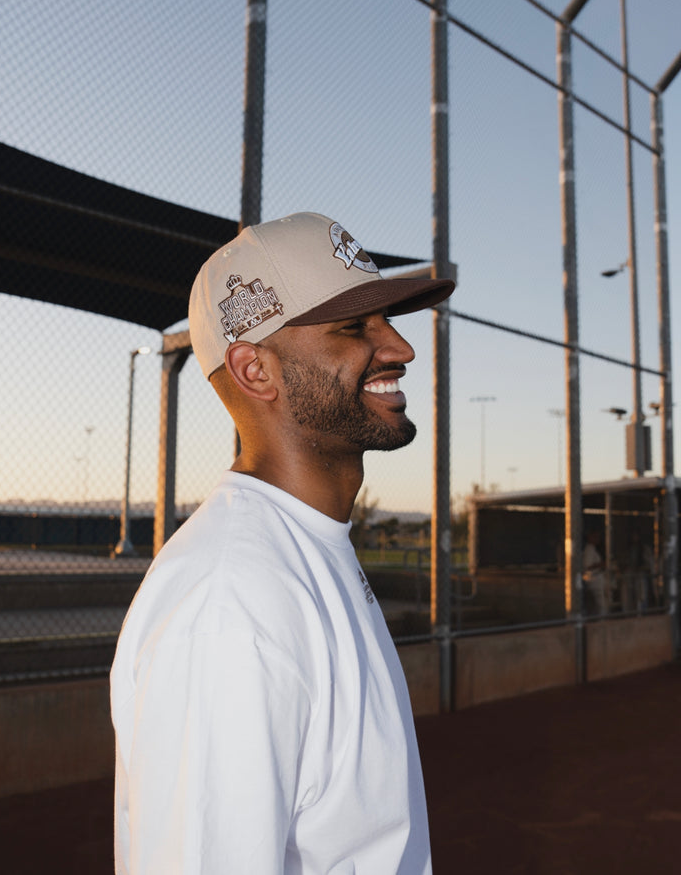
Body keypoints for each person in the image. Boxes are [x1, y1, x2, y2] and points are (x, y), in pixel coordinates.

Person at [110, 211, 455, 874]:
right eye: (356, 327)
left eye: (386, 318)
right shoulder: (231, 602)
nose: (400, 348)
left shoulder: (305, 545)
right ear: (256, 370)